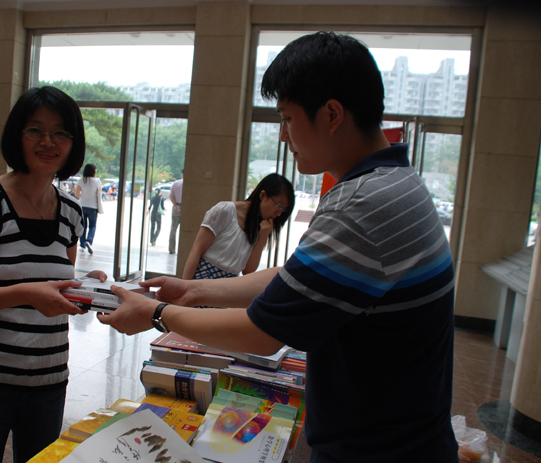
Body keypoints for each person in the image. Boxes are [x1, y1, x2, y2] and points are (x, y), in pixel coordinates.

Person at [98, 32, 458, 463]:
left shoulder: (361, 203)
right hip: (405, 437)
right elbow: (295, 277)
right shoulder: (393, 181)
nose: (284, 135)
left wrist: (157, 314)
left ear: (331, 114)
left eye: (287, 118)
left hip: (379, 451)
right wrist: (195, 290)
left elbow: (263, 334)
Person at [0, 86, 107, 463]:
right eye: (35, 130)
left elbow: (53, 280)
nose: (48, 141)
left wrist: (86, 285)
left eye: (61, 132)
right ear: (17, 135)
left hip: (49, 383)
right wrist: (26, 293)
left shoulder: (70, 213)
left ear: (73, 143)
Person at [182, 173, 294, 280]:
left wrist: (263, 238)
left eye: (283, 210)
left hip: (229, 286)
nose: (279, 213)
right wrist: (183, 287)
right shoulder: (225, 210)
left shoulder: (261, 227)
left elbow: (248, 271)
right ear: (263, 195)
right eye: (279, 206)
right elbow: (196, 251)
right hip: (202, 279)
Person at [75, 163, 102, 254]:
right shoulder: (97, 181)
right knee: (92, 226)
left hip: (82, 205)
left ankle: (82, 245)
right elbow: (100, 193)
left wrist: (84, 194)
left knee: (83, 226)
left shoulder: (80, 180)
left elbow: (77, 194)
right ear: (94, 171)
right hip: (93, 207)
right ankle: (89, 241)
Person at [168, 170, 183, 255]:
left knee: (173, 229)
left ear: (182, 174)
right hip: (186, 209)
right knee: (185, 230)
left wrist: (175, 205)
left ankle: (171, 249)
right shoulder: (189, 184)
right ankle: (183, 249)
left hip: (176, 208)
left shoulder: (176, 183)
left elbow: (171, 195)